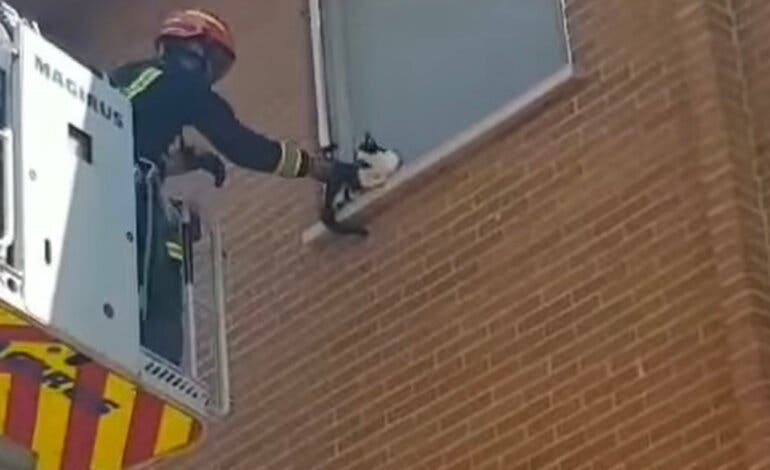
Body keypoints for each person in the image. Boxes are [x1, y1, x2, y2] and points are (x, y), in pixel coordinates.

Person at [109, 8, 399, 366]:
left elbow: (127, 139)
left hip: (100, 195)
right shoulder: (183, 84)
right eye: (214, 61)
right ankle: (155, 369)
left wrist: (185, 163)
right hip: (129, 198)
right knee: (168, 265)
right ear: (193, 48)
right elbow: (247, 148)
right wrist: (326, 170)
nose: (213, 74)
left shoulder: (126, 75)